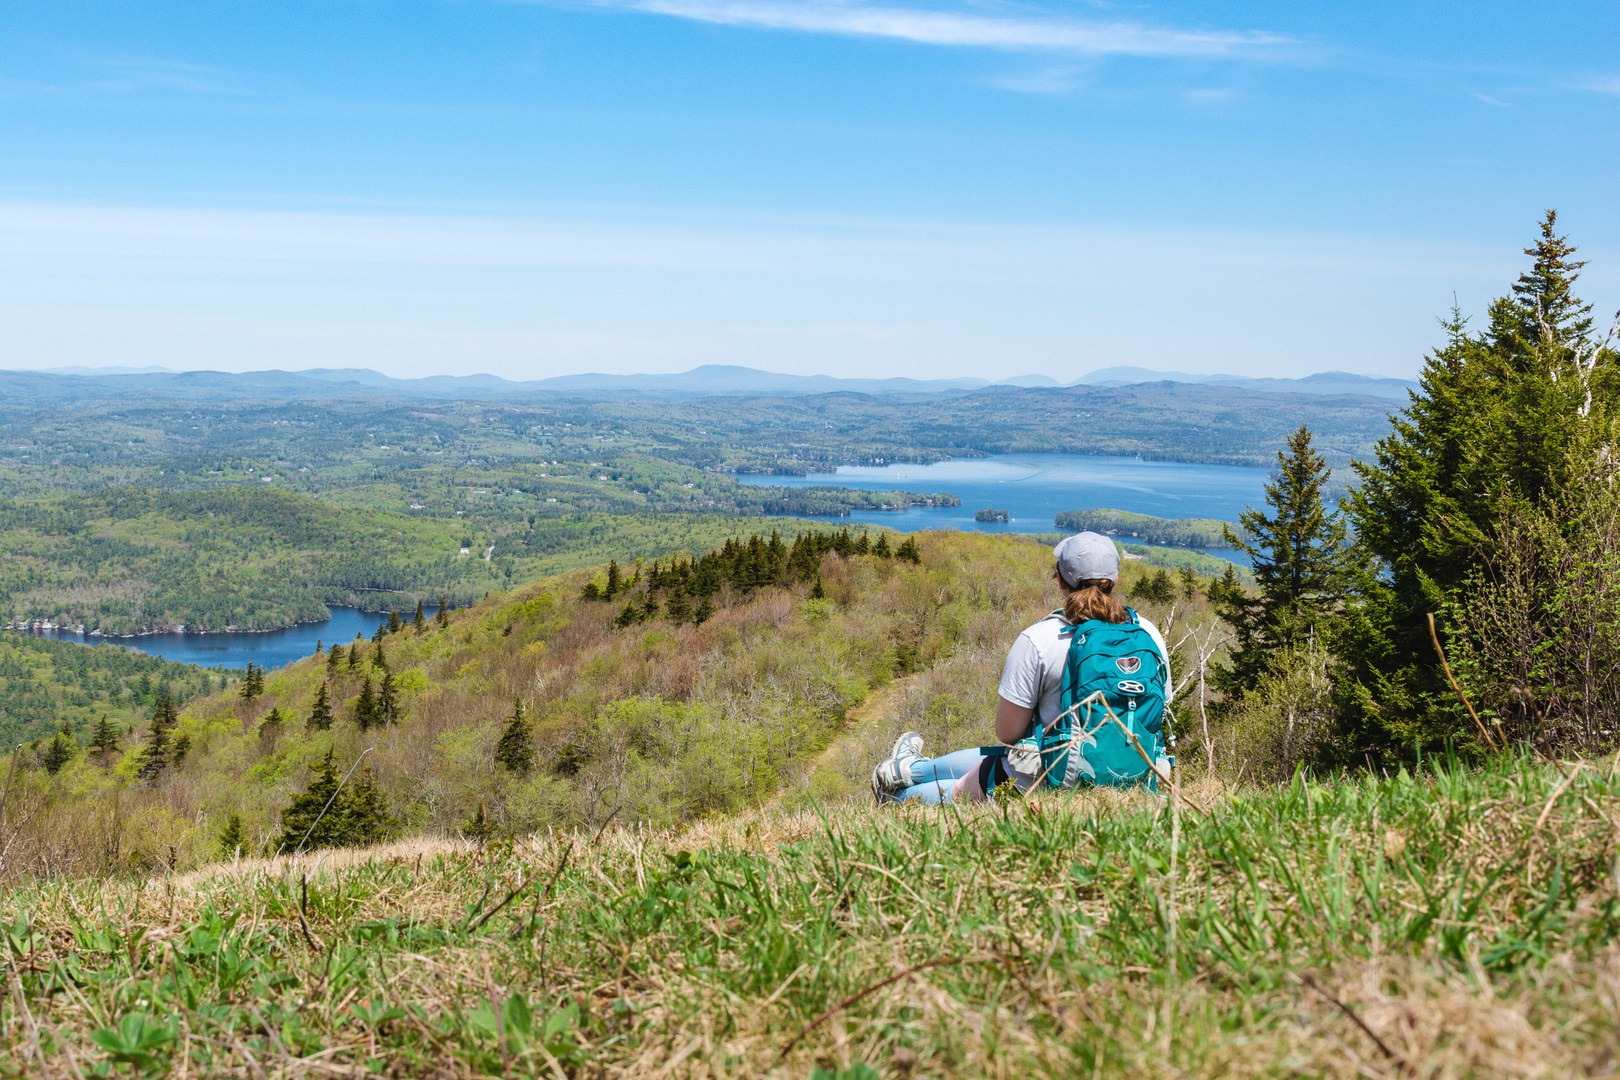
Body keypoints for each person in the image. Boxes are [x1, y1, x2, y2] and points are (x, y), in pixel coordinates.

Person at [871, 531, 1172, 804]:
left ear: (1059, 580)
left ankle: (894, 796)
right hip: (1136, 775)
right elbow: (1158, 709)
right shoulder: (1147, 635)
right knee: (995, 759)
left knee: (967, 785)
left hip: (1053, 779)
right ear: (1115, 580)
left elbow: (1008, 733)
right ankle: (911, 768)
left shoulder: (1039, 639)